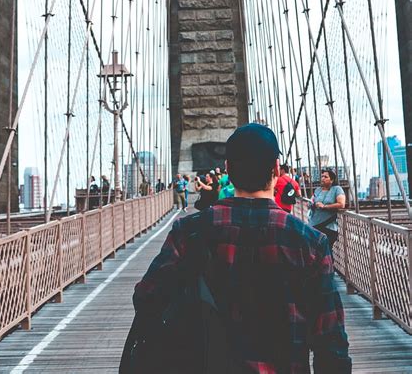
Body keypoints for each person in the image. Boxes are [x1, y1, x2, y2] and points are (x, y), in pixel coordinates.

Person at [130, 123, 351, 372]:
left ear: (228, 169)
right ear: (276, 169)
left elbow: (147, 297)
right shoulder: (310, 243)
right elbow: (331, 341)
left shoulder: (190, 231)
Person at [309, 169, 346, 249]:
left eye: (326, 177)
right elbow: (312, 201)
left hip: (328, 227)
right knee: (314, 251)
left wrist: (325, 206)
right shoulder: (318, 190)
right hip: (314, 226)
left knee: (326, 251)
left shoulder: (337, 189)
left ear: (332, 180)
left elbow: (341, 204)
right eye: (322, 176)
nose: (323, 178)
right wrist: (313, 204)